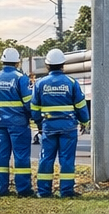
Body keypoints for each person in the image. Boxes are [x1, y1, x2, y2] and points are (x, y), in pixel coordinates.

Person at [31, 47, 90, 198]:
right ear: (63, 65)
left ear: (47, 65)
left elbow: (35, 108)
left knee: (46, 159)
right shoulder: (71, 82)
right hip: (68, 128)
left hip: (48, 127)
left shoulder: (40, 84)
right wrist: (85, 121)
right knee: (67, 159)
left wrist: (39, 124)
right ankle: (66, 191)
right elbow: (81, 106)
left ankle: (44, 192)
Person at [0, 47, 36, 198]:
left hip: (1, 124)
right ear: (17, 62)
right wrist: (33, 116)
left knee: (2, 155)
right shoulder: (20, 78)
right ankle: (23, 190)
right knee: (21, 156)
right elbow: (29, 101)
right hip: (19, 124)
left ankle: (1, 189)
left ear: (2, 61)